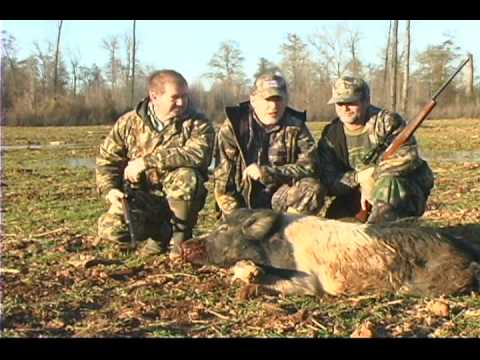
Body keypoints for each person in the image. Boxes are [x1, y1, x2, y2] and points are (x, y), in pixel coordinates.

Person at [96, 69, 215, 259]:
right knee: (110, 228)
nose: (182, 102)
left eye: (185, 96)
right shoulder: (128, 123)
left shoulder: (197, 123)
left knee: (186, 176)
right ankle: (159, 236)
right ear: (154, 96)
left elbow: (198, 154)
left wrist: (146, 162)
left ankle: (180, 240)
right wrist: (111, 190)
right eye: (175, 97)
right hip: (142, 197)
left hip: (181, 199)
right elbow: (107, 161)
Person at [317, 76, 434, 223]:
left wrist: (373, 176)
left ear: (366, 101)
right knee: (336, 228)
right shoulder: (331, 134)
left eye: (351, 103)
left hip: (401, 192)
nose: (345, 108)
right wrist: (360, 178)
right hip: (356, 197)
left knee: (389, 183)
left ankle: (380, 234)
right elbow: (329, 180)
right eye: (339, 104)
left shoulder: (387, 122)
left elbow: (408, 157)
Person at [214, 72, 326, 218]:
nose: (273, 106)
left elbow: (311, 168)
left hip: (280, 200)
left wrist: (268, 173)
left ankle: (286, 231)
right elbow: (223, 181)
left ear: (286, 100)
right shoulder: (234, 127)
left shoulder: (296, 126)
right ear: (253, 100)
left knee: (312, 188)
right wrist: (237, 218)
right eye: (267, 99)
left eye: (278, 99)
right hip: (243, 201)